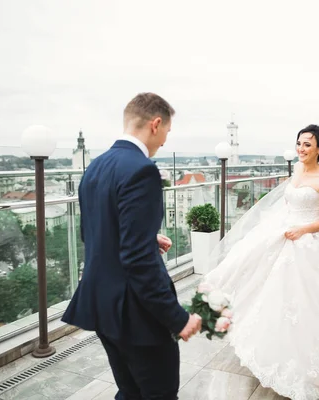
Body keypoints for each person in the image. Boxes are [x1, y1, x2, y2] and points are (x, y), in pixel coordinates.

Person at [202, 124, 319, 400]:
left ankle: (309, 362)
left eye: (307, 144)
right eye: (299, 143)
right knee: (273, 297)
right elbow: (288, 204)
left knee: (306, 303)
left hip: (307, 244)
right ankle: (276, 352)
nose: (301, 149)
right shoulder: (298, 171)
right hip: (283, 234)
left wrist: (303, 230)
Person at [62, 93, 202, 400]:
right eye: (166, 131)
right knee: (159, 394)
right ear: (155, 124)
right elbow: (138, 262)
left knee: (129, 391)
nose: (165, 141)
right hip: (135, 314)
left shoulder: (96, 167)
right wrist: (179, 319)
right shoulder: (143, 170)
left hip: (101, 304)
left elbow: (93, 233)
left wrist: (147, 237)